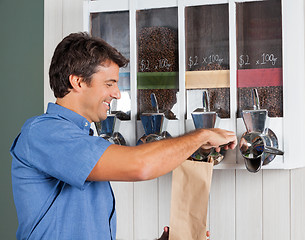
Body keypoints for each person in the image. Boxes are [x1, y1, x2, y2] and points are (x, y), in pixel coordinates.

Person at [10, 32, 237, 240]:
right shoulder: (43, 133)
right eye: (109, 84)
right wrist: (201, 135)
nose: (116, 93)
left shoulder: (85, 139)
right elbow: (140, 165)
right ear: (77, 81)